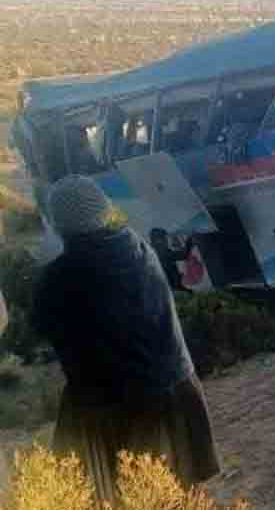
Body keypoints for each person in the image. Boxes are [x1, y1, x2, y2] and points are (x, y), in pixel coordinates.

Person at [32, 176, 219, 502]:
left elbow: (41, 325)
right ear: (104, 210)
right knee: (178, 489)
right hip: (175, 385)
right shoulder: (136, 246)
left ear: (59, 224)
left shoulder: (60, 276)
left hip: (115, 407)